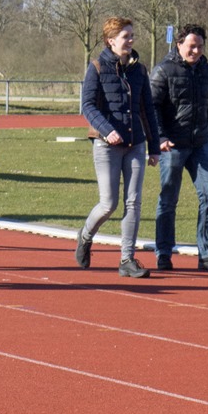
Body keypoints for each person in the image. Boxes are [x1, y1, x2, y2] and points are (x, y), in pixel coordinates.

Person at [76, 16, 161, 278]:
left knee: (133, 202)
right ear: (111, 40)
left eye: (132, 35)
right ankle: (85, 235)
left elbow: (147, 110)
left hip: (135, 144)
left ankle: (127, 259)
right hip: (106, 146)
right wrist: (107, 130)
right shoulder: (97, 67)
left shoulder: (140, 70)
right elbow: (87, 106)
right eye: (126, 36)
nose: (131, 40)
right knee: (108, 204)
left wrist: (154, 147)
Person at [151, 23, 208, 272]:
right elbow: (151, 108)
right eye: (191, 46)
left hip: (201, 145)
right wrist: (160, 138)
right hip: (173, 146)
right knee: (168, 200)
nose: (196, 51)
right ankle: (164, 253)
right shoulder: (163, 70)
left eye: (200, 46)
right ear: (179, 45)